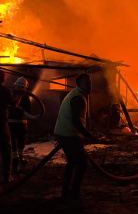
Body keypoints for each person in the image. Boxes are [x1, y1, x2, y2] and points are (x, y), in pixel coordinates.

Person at [54, 73, 98, 205]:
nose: (90, 86)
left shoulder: (75, 94)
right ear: (79, 84)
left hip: (63, 133)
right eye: (87, 84)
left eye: (90, 83)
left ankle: (65, 192)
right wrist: (88, 135)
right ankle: (73, 195)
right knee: (83, 163)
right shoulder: (78, 98)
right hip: (69, 134)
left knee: (72, 162)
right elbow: (75, 121)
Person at [8, 77, 31, 173]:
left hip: (10, 123)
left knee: (13, 143)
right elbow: (29, 110)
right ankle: (19, 159)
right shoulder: (26, 97)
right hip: (22, 124)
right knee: (21, 141)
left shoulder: (10, 94)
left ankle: (15, 163)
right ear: (25, 87)